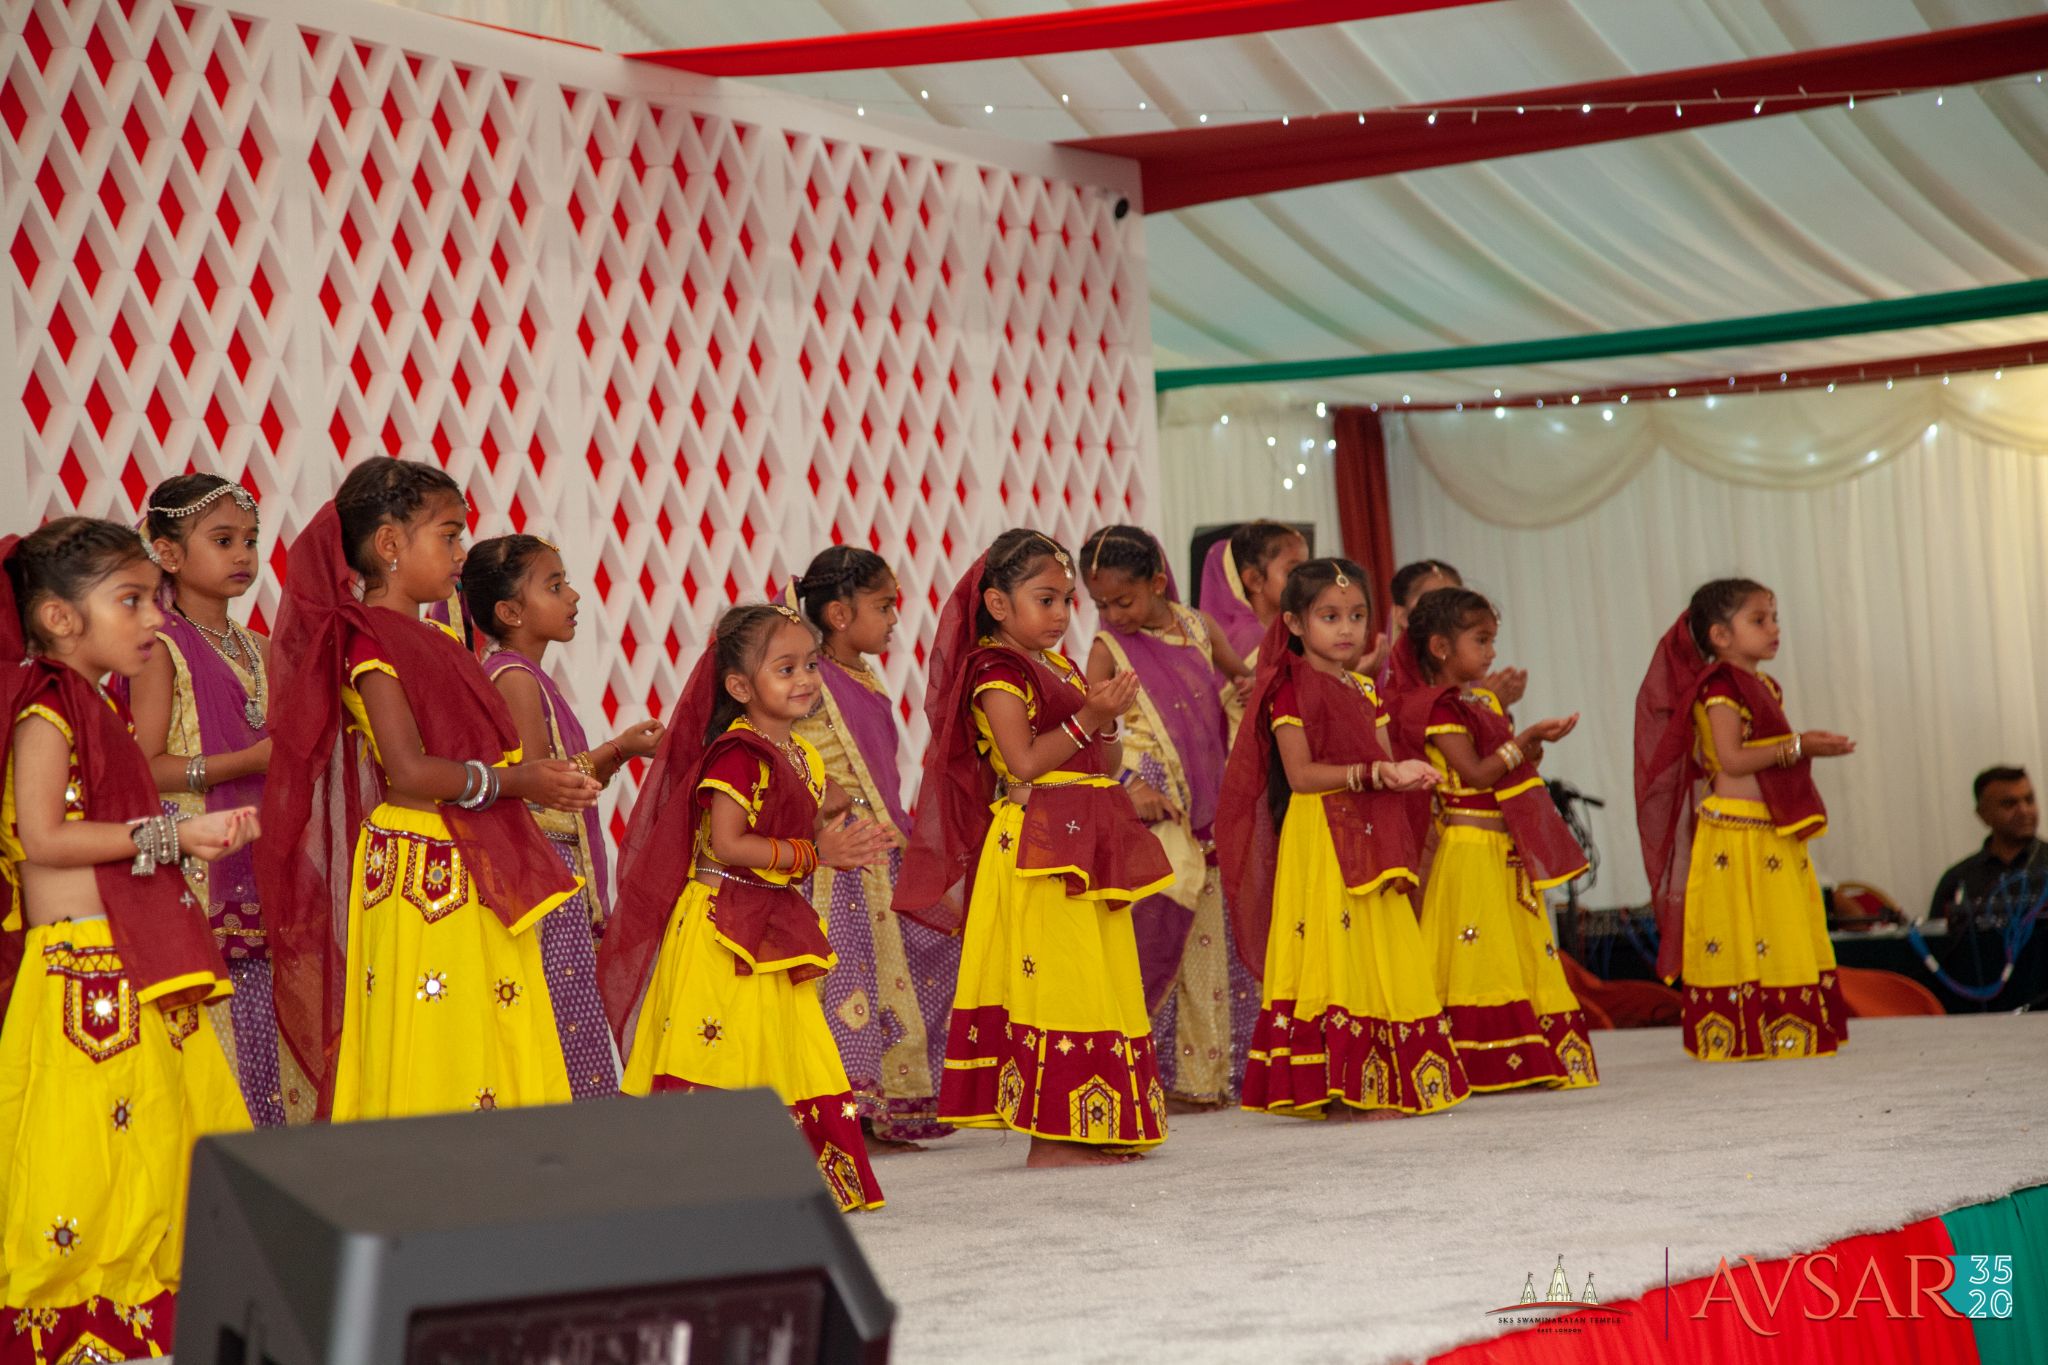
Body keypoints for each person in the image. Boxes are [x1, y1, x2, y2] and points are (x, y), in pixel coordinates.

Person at [258, 459, 599, 1120]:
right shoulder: (365, 639)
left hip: (470, 849)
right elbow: (409, 769)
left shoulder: (440, 635)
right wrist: (516, 780)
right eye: (447, 535)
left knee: (491, 1012)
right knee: (442, 1029)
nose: (460, 552)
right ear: (390, 546)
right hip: (424, 862)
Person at [0, 519, 255, 1362]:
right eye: (132, 600)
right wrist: (172, 838)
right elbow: (43, 838)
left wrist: (178, 840)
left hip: (124, 976)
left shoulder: (94, 708)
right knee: (88, 1184)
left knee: (149, 1171)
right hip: (80, 982)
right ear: (60, 618)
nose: (154, 617)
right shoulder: (46, 712)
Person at [599, 603, 893, 1212]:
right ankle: (708, 1185)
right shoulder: (738, 754)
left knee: (790, 1041)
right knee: (722, 1046)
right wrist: (818, 853)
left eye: (810, 665)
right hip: (721, 926)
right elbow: (731, 844)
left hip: (772, 920)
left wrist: (839, 843)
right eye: (785, 669)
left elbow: (791, 827)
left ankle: (794, 1181)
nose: (806, 679)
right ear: (739, 687)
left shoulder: (803, 756)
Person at [896, 530, 1175, 1167]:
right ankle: (1053, 1139)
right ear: (997, 603)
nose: (1060, 615)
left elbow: (1098, 758)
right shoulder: (994, 668)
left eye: (1067, 602)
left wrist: (1105, 719)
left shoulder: (1057, 665)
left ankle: (1091, 1125)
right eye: (1045, 600)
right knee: (1059, 983)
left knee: (1092, 977)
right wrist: (1087, 718)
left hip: (1081, 838)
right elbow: (1021, 764)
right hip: (1038, 845)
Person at [1217, 558, 1467, 1120]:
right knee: (1333, 946)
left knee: (1378, 943)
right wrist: (1379, 774)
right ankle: (1341, 1089)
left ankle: (1382, 1080)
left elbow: (1381, 760)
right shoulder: (1288, 689)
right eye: (1330, 616)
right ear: (1296, 624)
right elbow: (1302, 775)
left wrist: (1400, 772)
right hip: (1321, 833)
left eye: (1356, 615)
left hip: (1370, 829)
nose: (1347, 628)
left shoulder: (1363, 687)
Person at [462, 534, 665, 1101]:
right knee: (562, 1017)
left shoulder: (523, 674)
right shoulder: (516, 679)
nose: (574, 595)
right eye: (555, 586)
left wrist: (621, 748)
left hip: (555, 877)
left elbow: (556, 780)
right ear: (510, 612)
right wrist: (616, 751)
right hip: (545, 880)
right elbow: (535, 787)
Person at [121, 475, 288, 1126]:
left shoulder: (259, 647)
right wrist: (247, 762)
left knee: (263, 1030)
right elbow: (145, 768)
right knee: (212, 1031)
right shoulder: (158, 645)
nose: (243, 554)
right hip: (193, 860)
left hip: (259, 854)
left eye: (250, 540)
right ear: (166, 552)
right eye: (222, 540)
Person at [1635, 578, 1854, 1062]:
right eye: (1759, 620)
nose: (1774, 629)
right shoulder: (1718, 686)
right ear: (1720, 635)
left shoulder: (1763, 685)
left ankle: (1784, 1029)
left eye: (1775, 618)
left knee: (1780, 924)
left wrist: (1803, 744)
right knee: (1738, 926)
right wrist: (1801, 745)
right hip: (1734, 829)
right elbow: (1731, 760)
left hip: (1770, 826)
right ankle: (1740, 1032)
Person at [1394, 588, 1598, 1092]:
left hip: (1502, 848)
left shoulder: (1482, 701)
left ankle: (1528, 1058)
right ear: (1441, 648)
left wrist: (1529, 749)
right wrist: (1523, 743)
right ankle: (1477, 1063)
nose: (1491, 653)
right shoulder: (1437, 709)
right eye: (1480, 641)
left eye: (1493, 641)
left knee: (1515, 950)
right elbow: (1477, 773)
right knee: (1476, 954)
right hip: (1467, 850)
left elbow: (1509, 768)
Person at [1081, 525, 1254, 1110]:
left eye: (1122, 600)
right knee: (1154, 936)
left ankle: (1203, 1080)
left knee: (1206, 943)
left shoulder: (1200, 629)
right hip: (1148, 809)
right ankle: (1135, 1074)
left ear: (1158, 583)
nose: (1111, 614)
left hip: (1207, 806)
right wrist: (1129, 788)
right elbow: (1089, 734)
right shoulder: (1108, 649)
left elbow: (1238, 680)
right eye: (1100, 603)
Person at [792, 546, 959, 1149]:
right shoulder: (809, 676)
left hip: (883, 848)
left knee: (929, 954)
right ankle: (855, 1112)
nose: (894, 619)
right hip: (841, 861)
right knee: (852, 986)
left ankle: (894, 1103)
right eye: (883, 606)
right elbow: (784, 749)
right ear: (839, 615)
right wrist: (825, 795)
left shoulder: (859, 671)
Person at [1929, 767, 2047, 930]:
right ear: (1982, 814)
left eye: (2029, 800)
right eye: (2009, 804)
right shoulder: (1958, 879)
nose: (2024, 811)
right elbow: (1937, 946)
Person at [1197, 521, 1309, 664]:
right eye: (1294, 571)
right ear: (1255, 580)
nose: (1306, 580)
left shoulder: (1289, 628)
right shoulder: (1249, 636)